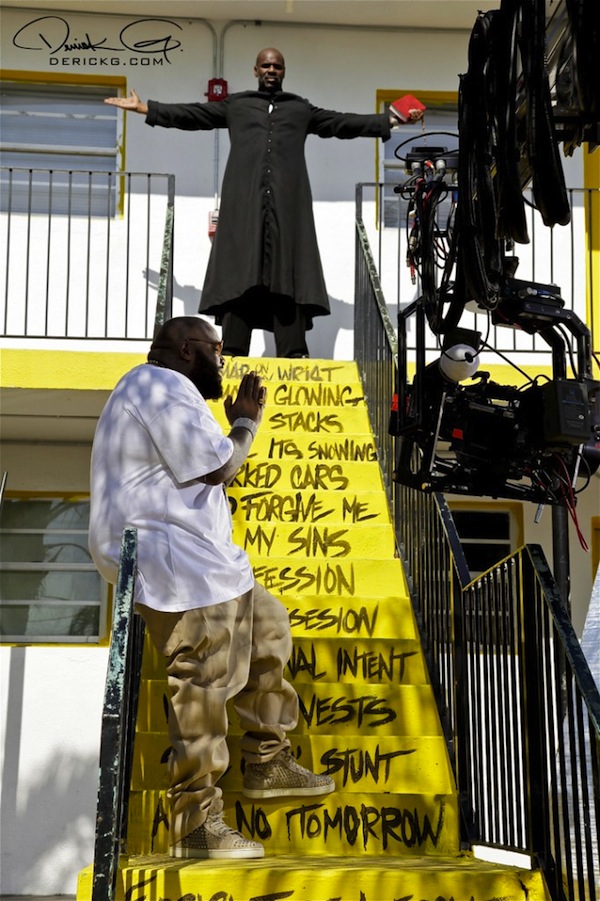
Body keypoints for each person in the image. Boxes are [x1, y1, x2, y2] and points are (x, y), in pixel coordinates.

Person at [88, 315, 334, 860]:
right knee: (203, 677)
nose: (224, 360)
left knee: (269, 626)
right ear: (185, 349)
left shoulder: (166, 392)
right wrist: (245, 422)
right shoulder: (156, 384)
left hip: (206, 562)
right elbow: (221, 466)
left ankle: (267, 760)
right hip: (174, 562)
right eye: (217, 349)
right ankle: (195, 823)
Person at [104, 48, 423, 358]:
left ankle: (293, 351)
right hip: (243, 204)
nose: (271, 70)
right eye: (266, 66)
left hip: (288, 205)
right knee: (240, 274)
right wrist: (146, 109)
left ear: (284, 72)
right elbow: (194, 115)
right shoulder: (238, 105)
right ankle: (232, 350)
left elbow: (341, 123)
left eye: (277, 66)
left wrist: (392, 119)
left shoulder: (299, 109)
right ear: (256, 70)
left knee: (289, 273)